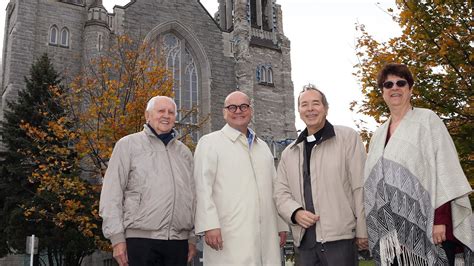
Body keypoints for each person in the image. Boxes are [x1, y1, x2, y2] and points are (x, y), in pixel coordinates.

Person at [364, 63, 473, 265]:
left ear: (410, 89)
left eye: (400, 83)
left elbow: (444, 171)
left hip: (430, 225)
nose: (394, 88)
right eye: (388, 84)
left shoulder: (427, 120)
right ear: (383, 92)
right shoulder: (378, 135)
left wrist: (440, 221)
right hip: (393, 235)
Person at [273, 84, 368, 266]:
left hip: (340, 239)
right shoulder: (289, 153)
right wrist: (295, 213)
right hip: (305, 243)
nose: (310, 109)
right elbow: (281, 194)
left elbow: (360, 185)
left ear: (325, 108)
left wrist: (362, 229)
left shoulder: (347, 138)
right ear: (299, 111)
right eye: (304, 104)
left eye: (315, 103)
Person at [99, 96, 196, 266]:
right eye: (161, 111)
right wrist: (116, 238)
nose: (166, 115)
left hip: (178, 242)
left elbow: (194, 197)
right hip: (139, 241)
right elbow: (111, 193)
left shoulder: (185, 153)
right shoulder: (128, 145)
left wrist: (192, 238)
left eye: (171, 112)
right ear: (147, 115)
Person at [194, 91, 287, 265]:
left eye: (243, 106)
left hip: (266, 232)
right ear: (224, 112)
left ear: (250, 110)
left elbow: (275, 188)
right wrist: (209, 225)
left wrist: (281, 225)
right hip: (228, 234)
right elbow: (202, 188)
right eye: (232, 107)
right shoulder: (210, 143)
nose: (238, 111)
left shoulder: (263, 147)